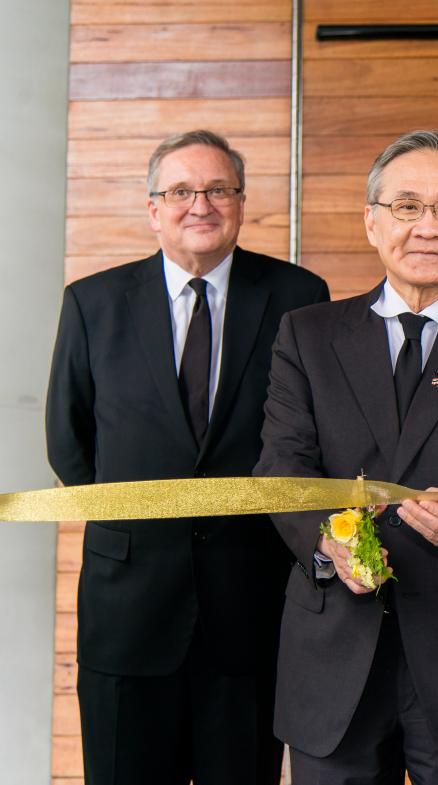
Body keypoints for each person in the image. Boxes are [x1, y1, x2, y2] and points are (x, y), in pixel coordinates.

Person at [254, 129, 438, 784]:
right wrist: (328, 541)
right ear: (371, 221)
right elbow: (282, 465)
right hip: (333, 641)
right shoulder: (307, 334)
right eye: (407, 206)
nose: (428, 226)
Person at [45, 129, 330, 785]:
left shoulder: (298, 297)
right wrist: (139, 519)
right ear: (153, 208)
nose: (199, 204)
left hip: (250, 604)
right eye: (180, 190)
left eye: (217, 189)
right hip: (129, 609)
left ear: (240, 201)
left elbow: (314, 436)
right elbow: (69, 439)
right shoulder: (92, 303)